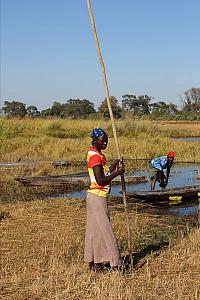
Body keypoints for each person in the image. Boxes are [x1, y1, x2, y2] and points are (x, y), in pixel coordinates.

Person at [84, 128, 125, 273]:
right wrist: (117, 173)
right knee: (105, 230)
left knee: (96, 231)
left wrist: (114, 166)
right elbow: (101, 180)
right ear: (95, 140)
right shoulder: (95, 157)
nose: (105, 142)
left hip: (95, 197)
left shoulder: (97, 154)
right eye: (102, 140)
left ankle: (96, 264)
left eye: (106, 139)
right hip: (97, 197)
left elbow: (103, 172)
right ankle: (116, 263)